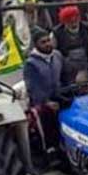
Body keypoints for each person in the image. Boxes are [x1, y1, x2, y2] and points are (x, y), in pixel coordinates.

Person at [23, 27, 68, 162]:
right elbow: (33, 87)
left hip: (58, 95)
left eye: (48, 40)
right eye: (43, 42)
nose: (48, 44)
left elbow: (65, 77)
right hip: (41, 101)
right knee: (47, 119)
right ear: (36, 45)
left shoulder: (57, 56)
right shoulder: (31, 63)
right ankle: (50, 152)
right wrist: (45, 102)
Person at [52, 6, 88, 85]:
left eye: (76, 19)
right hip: (66, 65)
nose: (73, 22)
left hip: (85, 63)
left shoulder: (86, 29)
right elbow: (53, 51)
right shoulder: (56, 33)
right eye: (69, 20)